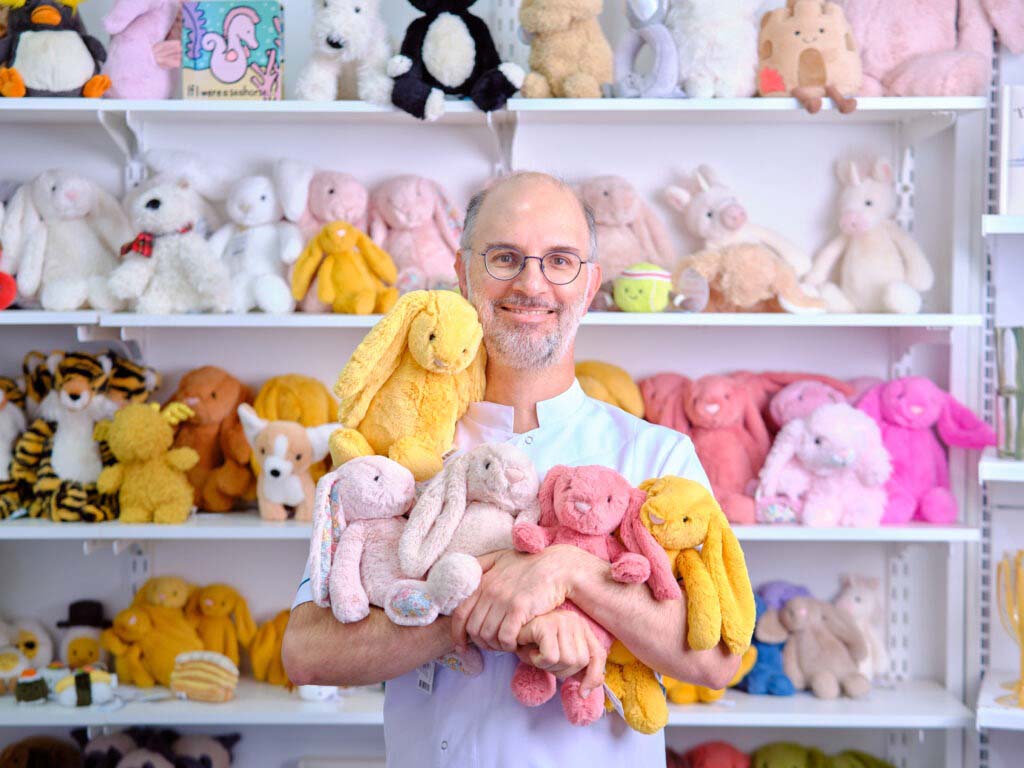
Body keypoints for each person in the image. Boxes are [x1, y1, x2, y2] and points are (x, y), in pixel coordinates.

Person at [283, 172, 740, 767]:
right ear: (462, 272)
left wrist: (569, 571)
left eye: (560, 260)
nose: (532, 283)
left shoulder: (657, 454)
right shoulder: (394, 453)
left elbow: (718, 660)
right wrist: (476, 602)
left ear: (591, 283)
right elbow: (306, 653)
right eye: (504, 257)